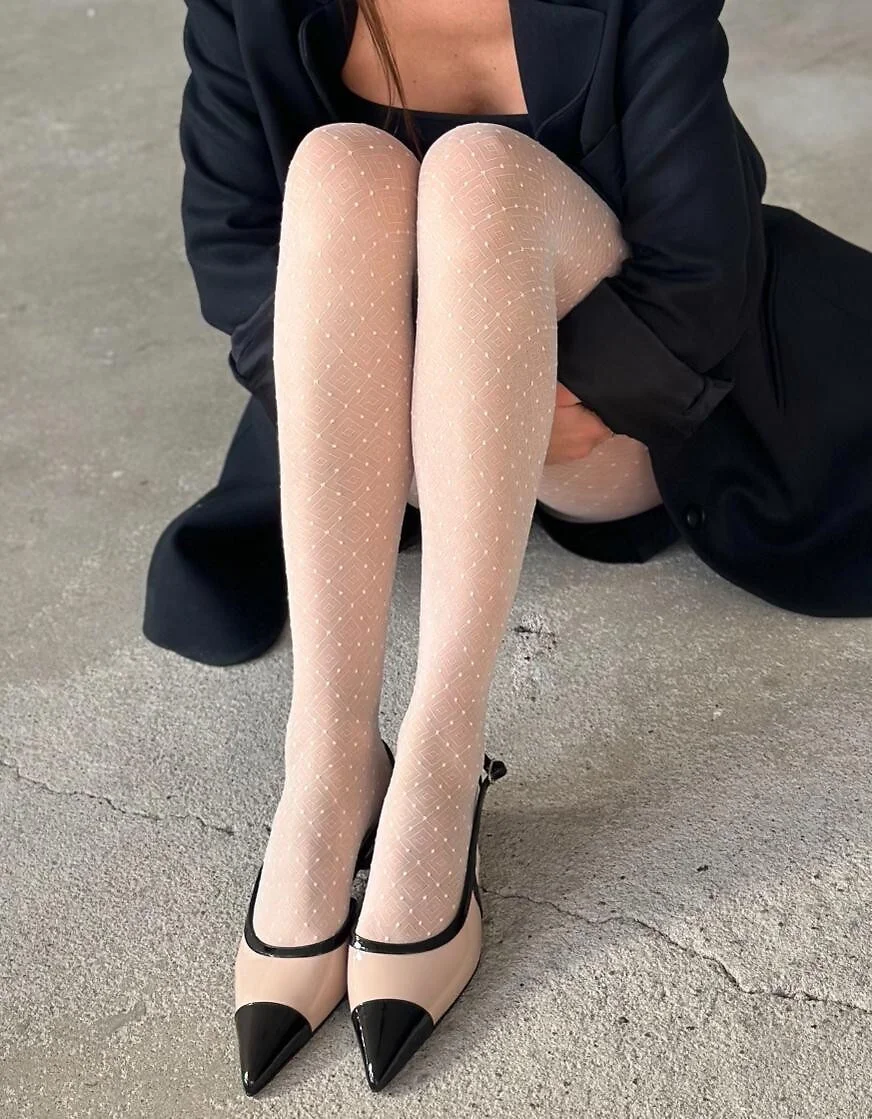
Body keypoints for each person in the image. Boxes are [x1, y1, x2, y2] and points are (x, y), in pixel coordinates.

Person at [149, 0, 872, 1097]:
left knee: (479, 170)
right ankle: (330, 764)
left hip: (609, 419)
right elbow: (235, 256)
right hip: (390, 430)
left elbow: (700, 273)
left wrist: (525, 393)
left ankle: (441, 761)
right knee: (338, 167)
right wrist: (403, 395)